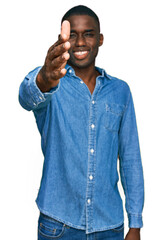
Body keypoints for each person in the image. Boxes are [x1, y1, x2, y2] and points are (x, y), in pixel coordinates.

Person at [19, 5, 144, 240]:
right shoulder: (51, 82)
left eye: (88, 33)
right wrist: (45, 77)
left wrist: (135, 223)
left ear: (100, 39)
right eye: (72, 34)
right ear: (62, 40)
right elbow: (26, 96)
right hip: (58, 225)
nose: (80, 42)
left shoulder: (120, 91)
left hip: (109, 227)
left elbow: (130, 159)